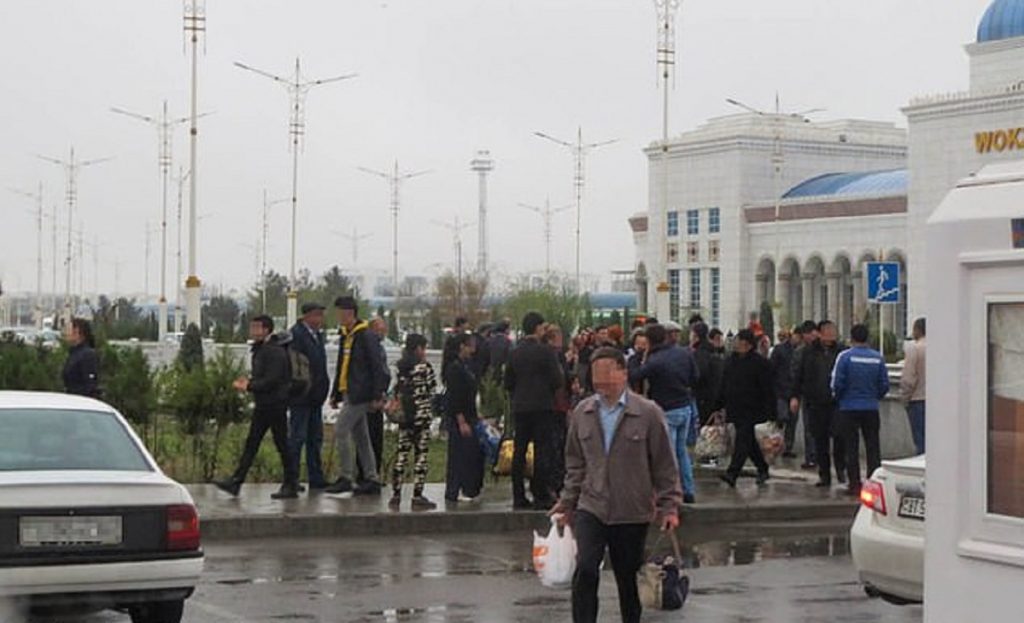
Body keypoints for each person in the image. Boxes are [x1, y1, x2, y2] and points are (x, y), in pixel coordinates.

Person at [552, 347, 682, 623]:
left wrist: (669, 506)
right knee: (586, 569)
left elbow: (664, 465)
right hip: (592, 506)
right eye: (596, 378)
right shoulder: (583, 412)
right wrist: (567, 502)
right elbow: (575, 463)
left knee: (627, 577)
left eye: (607, 376)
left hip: (632, 510)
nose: (601, 384)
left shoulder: (648, 413)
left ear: (623, 373)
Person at [215, 315, 299, 500]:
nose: (252, 331)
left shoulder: (274, 351)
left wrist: (249, 385)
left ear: (266, 329)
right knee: (252, 443)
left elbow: (272, 380)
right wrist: (250, 383)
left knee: (281, 444)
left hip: (275, 404)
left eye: (256, 327)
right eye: (252, 327)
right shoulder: (261, 349)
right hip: (264, 404)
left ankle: (291, 484)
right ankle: (236, 482)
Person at [628, 323, 699, 504]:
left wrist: (636, 358)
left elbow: (635, 375)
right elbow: (695, 377)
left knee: (668, 454)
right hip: (685, 406)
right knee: (682, 451)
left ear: (649, 341)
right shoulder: (684, 353)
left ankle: (670, 492)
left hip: (667, 408)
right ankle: (688, 489)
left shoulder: (655, 360)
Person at [326, 297, 390, 497]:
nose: (338, 317)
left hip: (360, 394)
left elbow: (377, 366)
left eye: (340, 312)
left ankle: (346, 476)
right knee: (362, 437)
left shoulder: (366, 336)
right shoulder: (346, 336)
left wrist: (377, 394)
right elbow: (342, 365)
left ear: (350, 313)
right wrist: (336, 393)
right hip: (349, 391)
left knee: (341, 430)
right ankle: (371, 478)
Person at [505, 311, 565, 510]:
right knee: (542, 450)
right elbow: (557, 380)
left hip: (520, 407)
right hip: (542, 406)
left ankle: (518, 495)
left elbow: (508, 382)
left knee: (519, 450)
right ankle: (540, 494)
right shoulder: (546, 352)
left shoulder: (514, 352)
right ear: (538, 328)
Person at [831, 323, 890, 495]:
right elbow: (884, 384)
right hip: (871, 408)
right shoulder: (877, 358)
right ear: (867, 338)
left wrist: (840, 398)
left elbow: (837, 383)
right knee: (873, 447)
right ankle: (874, 483)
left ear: (852, 338)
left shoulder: (845, 357)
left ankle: (854, 484)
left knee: (851, 447)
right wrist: (874, 397)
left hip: (848, 408)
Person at [791, 320, 847, 487]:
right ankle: (824, 475)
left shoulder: (842, 352)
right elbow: (798, 375)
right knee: (820, 440)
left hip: (837, 403)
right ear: (820, 333)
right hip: (815, 402)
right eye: (827, 332)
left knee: (840, 437)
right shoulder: (808, 352)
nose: (831, 335)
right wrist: (794, 396)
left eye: (833, 331)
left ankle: (841, 469)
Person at [717, 329, 775, 488]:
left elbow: (768, 389)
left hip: (753, 409)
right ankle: (762, 468)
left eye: (739, 341)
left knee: (742, 440)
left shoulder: (760, 363)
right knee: (749, 442)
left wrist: (772, 412)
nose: (735, 343)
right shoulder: (731, 361)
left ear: (748, 344)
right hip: (735, 407)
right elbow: (724, 384)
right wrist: (719, 405)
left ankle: (732, 473)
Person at [389, 333, 438, 510]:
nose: (425, 352)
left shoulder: (400, 367)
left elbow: (394, 390)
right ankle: (417, 495)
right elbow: (432, 390)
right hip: (421, 416)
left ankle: (396, 493)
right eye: (424, 348)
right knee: (421, 455)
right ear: (418, 348)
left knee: (402, 454)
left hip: (404, 417)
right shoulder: (424, 368)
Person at [288, 302, 330, 493]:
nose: (319, 319)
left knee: (315, 438)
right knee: (297, 438)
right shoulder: (296, 335)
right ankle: (292, 478)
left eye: (321, 315)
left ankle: (316, 477)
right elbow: (297, 368)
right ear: (306, 316)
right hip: (301, 396)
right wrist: (302, 389)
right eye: (316, 315)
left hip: (316, 397)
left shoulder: (318, 336)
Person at [443, 332, 484, 502]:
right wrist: (461, 420)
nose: (473, 349)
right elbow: (455, 397)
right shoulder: (455, 368)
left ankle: (465, 487)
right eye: (470, 345)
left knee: (468, 453)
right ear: (462, 346)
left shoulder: (466, 366)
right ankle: (455, 489)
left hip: (469, 414)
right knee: (459, 454)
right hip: (461, 418)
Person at [357, 316, 390, 486]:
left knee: (377, 438)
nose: (382, 333)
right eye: (379, 329)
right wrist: (374, 395)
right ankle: (364, 475)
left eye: (384, 330)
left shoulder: (380, 348)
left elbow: (384, 373)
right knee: (366, 437)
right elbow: (371, 374)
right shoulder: (367, 349)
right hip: (369, 399)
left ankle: (374, 474)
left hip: (380, 397)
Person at [790, 321, 820, 469]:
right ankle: (811, 457)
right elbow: (795, 375)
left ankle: (819, 456)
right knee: (809, 428)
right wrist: (795, 396)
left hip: (824, 395)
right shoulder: (801, 352)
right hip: (808, 395)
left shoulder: (827, 350)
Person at [769, 327, 800, 459]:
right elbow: (772, 369)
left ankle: (787, 446)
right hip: (780, 391)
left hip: (794, 391)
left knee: (792, 421)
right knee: (781, 418)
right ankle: (776, 443)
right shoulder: (780, 350)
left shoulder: (800, 351)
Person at [901, 317, 926, 455]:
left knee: (920, 440)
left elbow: (908, 379)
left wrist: (905, 397)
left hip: (918, 399)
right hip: (938, 401)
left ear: (918, 330)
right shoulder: (941, 349)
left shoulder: (914, 349)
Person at [63, 318, 100, 398]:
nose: (65, 333)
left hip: (80, 400)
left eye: (68, 329)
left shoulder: (87, 355)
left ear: (77, 331)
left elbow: (90, 386)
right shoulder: (73, 353)